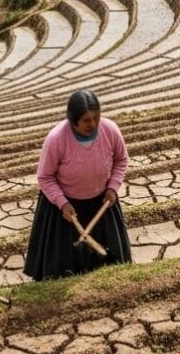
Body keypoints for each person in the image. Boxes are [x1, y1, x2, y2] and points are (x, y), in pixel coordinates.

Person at [23, 89, 132, 280]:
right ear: (73, 120)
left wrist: (112, 187)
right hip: (65, 208)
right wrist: (62, 203)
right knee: (62, 268)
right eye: (86, 120)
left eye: (96, 117)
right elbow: (45, 177)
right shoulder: (57, 139)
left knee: (110, 267)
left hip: (101, 201)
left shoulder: (110, 130)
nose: (93, 124)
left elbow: (121, 160)